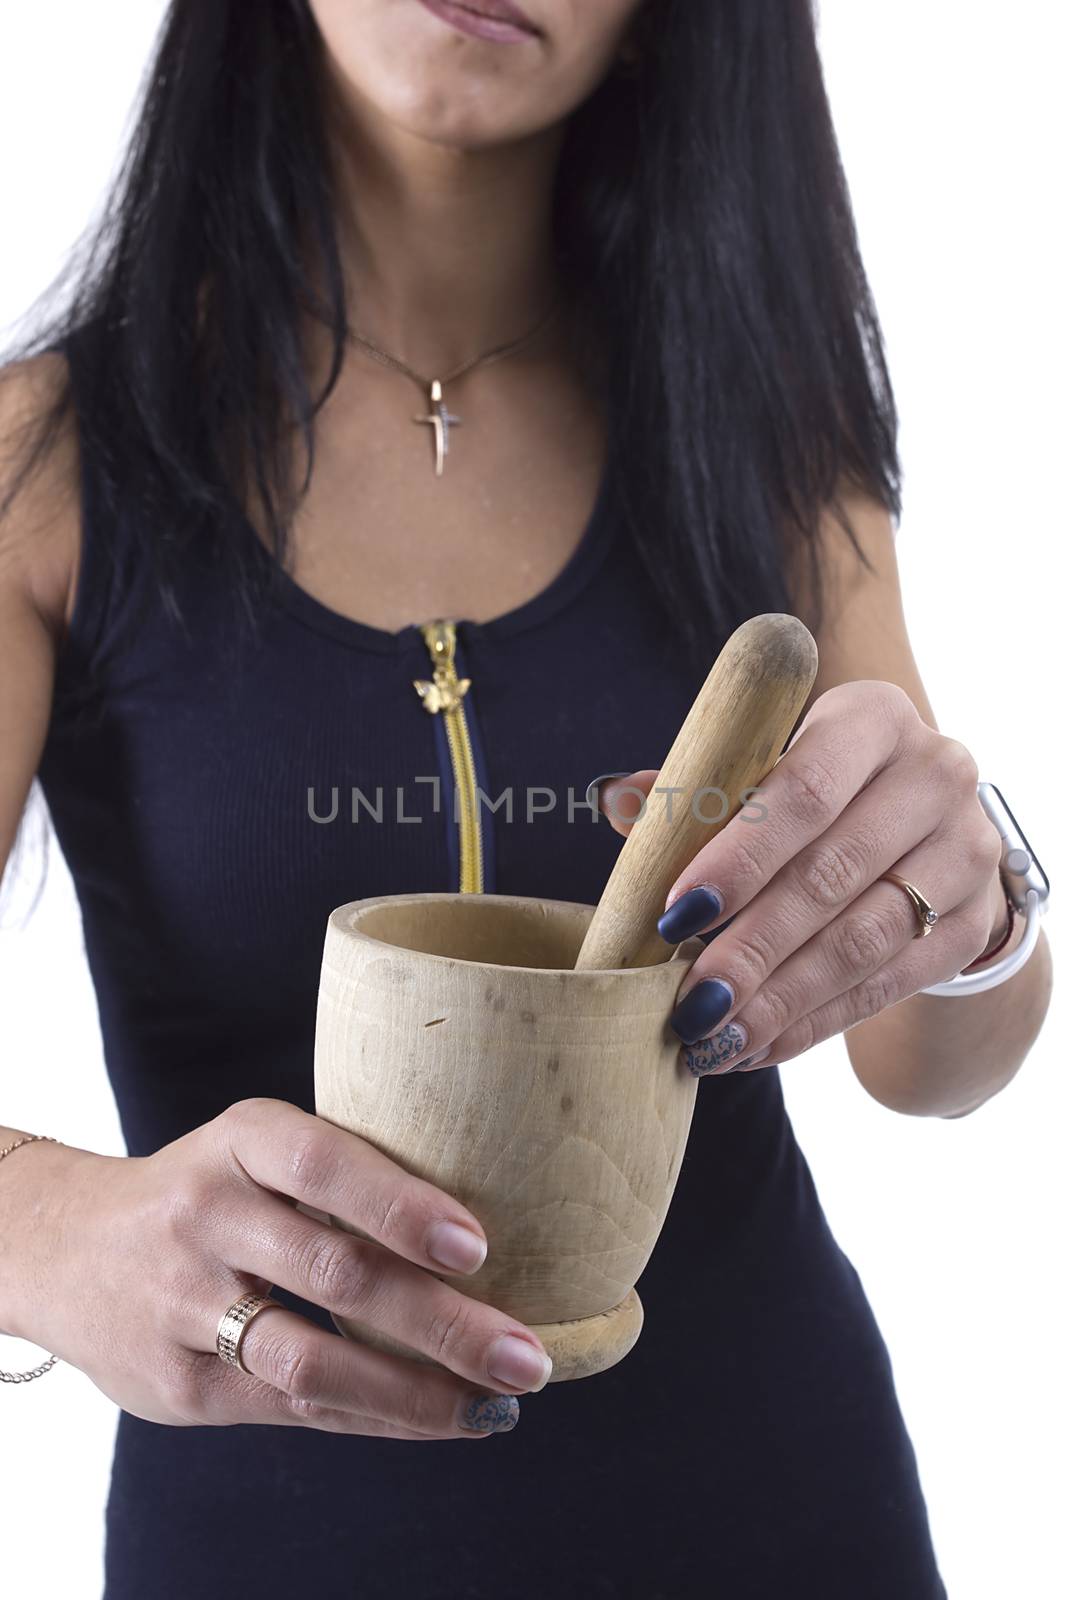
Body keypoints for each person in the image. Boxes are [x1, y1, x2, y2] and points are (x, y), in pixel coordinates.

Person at [0, 2, 1051, 1596]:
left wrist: (978, 897)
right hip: (263, 1543)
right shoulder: (46, 466)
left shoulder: (768, 446)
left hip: (779, 1512)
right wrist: (47, 1230)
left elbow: (933, 1064)